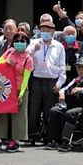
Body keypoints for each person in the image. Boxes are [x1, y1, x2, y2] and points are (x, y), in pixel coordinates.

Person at [46, 55, 83, 151]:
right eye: (78, 67)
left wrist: (81, 89)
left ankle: (66, 142)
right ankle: (54, 140)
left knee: (70, 113)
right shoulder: (76, 79)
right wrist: (61, 93)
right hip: (74, 104)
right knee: (54, 111)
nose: (80, 69)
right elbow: (65, 88)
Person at [0, 31, 33, 152]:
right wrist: (6, 62)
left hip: (19, 88)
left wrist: (21, 94)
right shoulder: (9, 52)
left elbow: (26, 78)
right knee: (1, 114)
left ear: (26, 43)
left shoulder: (28, 58)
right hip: (6, 87)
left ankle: (16, 141)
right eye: (17, 41)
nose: (19, 43)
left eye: (22, 41)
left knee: (18, 116)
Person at [26, 17, 66, 146]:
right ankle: (32, 135)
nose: (45, 32)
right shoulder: (34, 42)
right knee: (34, 109)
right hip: (36, 80)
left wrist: (59, 83)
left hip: (51, 81)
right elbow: (25, 58)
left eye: (47, 30)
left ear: (53, 32)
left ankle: (48, 137)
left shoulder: (59, 46)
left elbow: (62, 67)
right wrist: (33, 50)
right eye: (42, 30)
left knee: (49, 110)